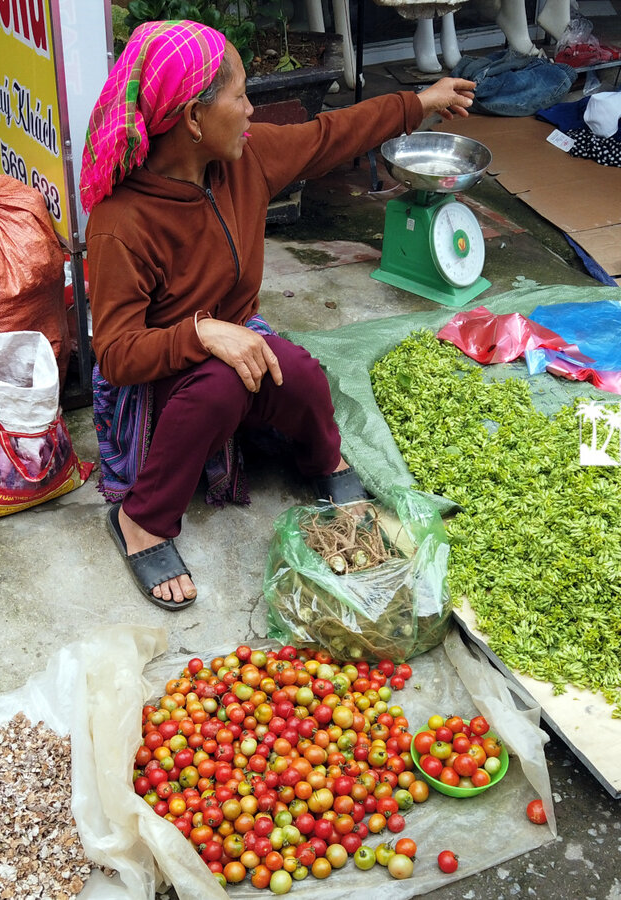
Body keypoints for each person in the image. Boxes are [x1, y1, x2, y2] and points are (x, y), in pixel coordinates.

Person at [80, 20, 475, 610]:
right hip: (160, 382)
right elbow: (115, 354)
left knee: (303, 374)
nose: (249, 109)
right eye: (239, 96)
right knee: (217, 386)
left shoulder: (245, 158)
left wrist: (418, 102)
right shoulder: (122, 223)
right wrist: (202, 333)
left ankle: (327, 463)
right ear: (192, 119)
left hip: (243, 342)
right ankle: (142, 522)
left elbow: (326, 136)